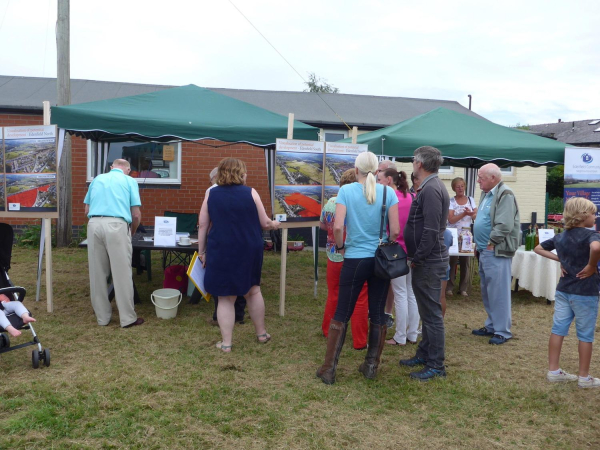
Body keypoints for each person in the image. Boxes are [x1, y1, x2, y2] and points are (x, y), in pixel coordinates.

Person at [316, 151, 399, 384]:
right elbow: (394, 231)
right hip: (380, 259)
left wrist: (341, 247)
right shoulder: (388, 192)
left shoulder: (346, 190)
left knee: (342, 311)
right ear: (377, 170)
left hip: (354, 258)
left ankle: (329, 368)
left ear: (356, 169)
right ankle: (371, 365)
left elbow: (339, 226)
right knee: (378, 311)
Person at [197, 158, 280, 353]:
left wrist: (201, 252)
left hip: (221, 248)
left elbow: (202, 225)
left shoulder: (211, 193)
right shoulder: (251, 192)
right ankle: (261, 334)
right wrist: (276, 224)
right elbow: (265, 223)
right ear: (240, 173)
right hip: (249, 247)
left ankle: (226, 343)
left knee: (226, 297)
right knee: (253, 290)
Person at [534, 198, 600, 388]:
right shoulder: (591, 236)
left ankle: (554, 370)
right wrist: (591, 265)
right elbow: (596, 248)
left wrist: (560, 259)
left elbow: (538, 248)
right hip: (585, 292)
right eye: (593, 213)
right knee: (585, 334)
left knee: (558, 329)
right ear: (582, 216)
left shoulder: (560, 236)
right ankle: (584, 377)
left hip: (563, 290)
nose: (595, 217)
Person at [401, 146, 450, 381]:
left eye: (413, 159)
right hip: (427, 260)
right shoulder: (431, 186)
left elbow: (430, 229)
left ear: (419, 164)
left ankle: (436, 365)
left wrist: (417, 257)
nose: (412, 162)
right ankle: (424, 353)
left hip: (429, 261)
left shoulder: (431, 189)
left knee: (431, 315)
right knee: (427, 311)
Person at [84, 158, 143, 328]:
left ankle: (102, 317)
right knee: (122, 273)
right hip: (117, 224)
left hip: (94, 223)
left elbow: (86, 209)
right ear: (128, 170)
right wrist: (131, 230)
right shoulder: (130, 180)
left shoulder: (96, 179)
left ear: (111, 167)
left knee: (97, 273)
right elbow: (136, 214)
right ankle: (127, 318)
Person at [320, 169, 369, 350]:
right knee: (359, 298)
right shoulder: (359, 202)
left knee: (333, 294)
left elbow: (323, 225)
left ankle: (328, 331)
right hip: (354, 255)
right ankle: (360, 340)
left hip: (333, 255)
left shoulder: (331, 203)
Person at [472, 163, 520, 345]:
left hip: (496, 250)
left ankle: (502, 331)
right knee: (487, 290)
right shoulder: (487, 194)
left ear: (493, 178)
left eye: (481, 178)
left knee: (498, 292)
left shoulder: (505, 194)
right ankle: (492, 325)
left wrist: (491, 242)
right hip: (485, 249)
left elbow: (505, 224)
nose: (478, 181)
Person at [377, 168, 419, 347]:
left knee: (400, 294)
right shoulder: (411, 197)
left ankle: (400, 336)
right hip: (412, 250)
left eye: (379, 180)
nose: (377, 183)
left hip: (396, 251)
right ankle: (412, 333)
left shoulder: (389, 198)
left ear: (388, 180)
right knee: (410, 292)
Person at [206, 166, 247, 326]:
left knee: (221, 282)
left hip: (220, 241)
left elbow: (205, 222)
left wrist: (202, 248)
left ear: (216, 176)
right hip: (242, 241)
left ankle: (219, 316)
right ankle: (239, 314)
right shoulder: (248, 192)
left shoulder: (212, 191)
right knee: (241, 278)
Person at [446, 177, 477, 297]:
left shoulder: (470, 199)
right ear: (454, 188)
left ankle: (463, 288)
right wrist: (464, 213)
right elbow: (451, 219)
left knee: (465, 262)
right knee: (452, 261)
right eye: (458, 186)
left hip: (466, 235)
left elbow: (475, 215)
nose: (460, 188)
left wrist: (472, 214)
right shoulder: (451, 201)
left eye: (462, 186)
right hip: (453, 234)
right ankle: (449, 287)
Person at [377, 159, 398, 328]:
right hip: (388, 245)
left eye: (379, 173)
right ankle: (382, 312)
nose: (376, 174)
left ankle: (386, 313)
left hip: (390, 246)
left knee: (390, 282)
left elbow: (396, 228)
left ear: (389, 177)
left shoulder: (396, 196)